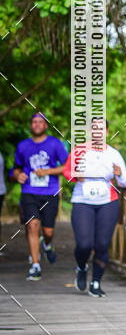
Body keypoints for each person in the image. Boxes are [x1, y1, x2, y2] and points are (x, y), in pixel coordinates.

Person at [62, 119, 126, 297]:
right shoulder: (79, 151)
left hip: (108, 201)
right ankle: (82, 266)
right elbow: (67, 171)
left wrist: (119, 174)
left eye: (102, 129)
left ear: (107, 132)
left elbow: (125, 182)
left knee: (102, 244)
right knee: (84, 244)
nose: (98, 132)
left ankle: (96, 283)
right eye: (95, 129)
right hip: (82, 200)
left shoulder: (114, 154)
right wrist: (77, 176)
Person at [10, 112, 68, 280]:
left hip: (50, 192)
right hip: (29, 192)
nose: (36, 124)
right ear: (31, 125)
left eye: (39, 122)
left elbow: (66, 167)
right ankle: (35, 265)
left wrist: (47, 171)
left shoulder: (55, 144)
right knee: (32, 225)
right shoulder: (23, 146)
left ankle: (47, 244)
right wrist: (17, 175)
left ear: (45, 126)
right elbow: (16, 168)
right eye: (33, 122)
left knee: (48, 231)